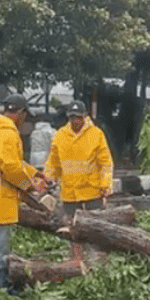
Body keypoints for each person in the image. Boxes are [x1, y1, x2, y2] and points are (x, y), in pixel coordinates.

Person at [0, 94, 48, 292]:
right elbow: (11, 169)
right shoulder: (7, 133)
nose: (25, 120)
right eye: (25, 115)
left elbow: (13, 162)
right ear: (20, 113)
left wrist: (34, 173)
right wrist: (31, 186)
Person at [44, 101, 114, 261]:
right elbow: (53, 162)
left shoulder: (96, 134)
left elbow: (105, 163)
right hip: (70, 193)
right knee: (72, 230)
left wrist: (105, 184)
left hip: (92, 191)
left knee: (96, 229)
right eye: (72, 117)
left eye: (78, 117)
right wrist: (48, 178)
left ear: (85, 117)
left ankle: (98, 261)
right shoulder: (60, 135)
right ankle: (76, 262)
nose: (75, 121)